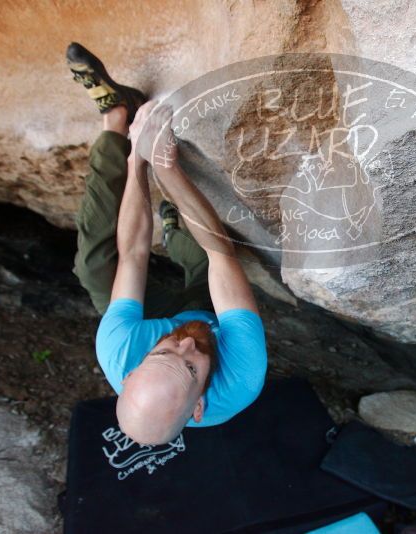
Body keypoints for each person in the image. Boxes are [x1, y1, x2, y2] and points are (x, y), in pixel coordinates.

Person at [67, 42, 267, 445]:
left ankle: (116, 117)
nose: (186, 343)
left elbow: (134, 254)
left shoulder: (119, 349)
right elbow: (220, 254)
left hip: (154, 318)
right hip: (210, 309)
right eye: (191, 368)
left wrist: (137, 158)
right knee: (202, 253)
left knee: (94, 268)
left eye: (164, 354)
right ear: (198, 407)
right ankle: (175, 229)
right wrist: (166, 166)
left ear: (132, 371)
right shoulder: (241, 378)